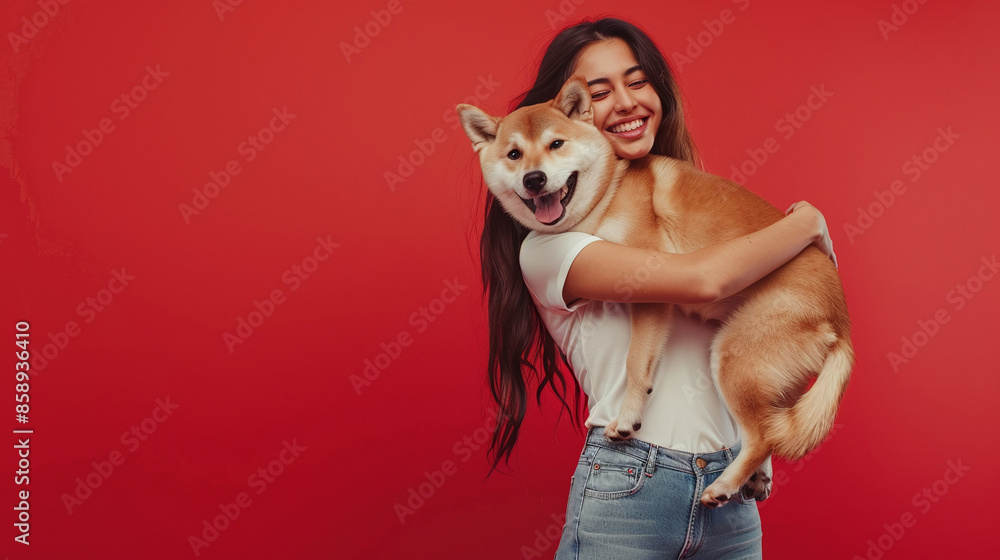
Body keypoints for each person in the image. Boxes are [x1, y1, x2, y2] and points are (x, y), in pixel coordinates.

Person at [477, 17, 837, 558]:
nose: (624, 102)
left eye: (638, 81)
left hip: (730, 497)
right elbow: (703, 282)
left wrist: (759, 448)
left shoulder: (683, 202)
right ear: (570, 111)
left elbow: (761, 331)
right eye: (598, 93)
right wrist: (805, 224)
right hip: (630, 488)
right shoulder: (551, 247)